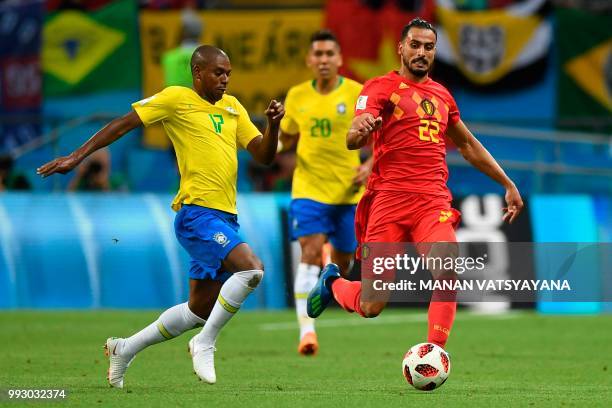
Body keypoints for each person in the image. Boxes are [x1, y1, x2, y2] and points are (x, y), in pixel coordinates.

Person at [37, 45, 284, 387]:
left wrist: (273, 126)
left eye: (228, 73)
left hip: (226, 218)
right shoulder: (176, 98)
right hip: (197, 214)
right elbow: (123, 124)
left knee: (197, 311)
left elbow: (265, 156)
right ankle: (205, 342)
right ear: (198, 73)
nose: (225, 79)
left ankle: (125, 348)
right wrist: (77, 156)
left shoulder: (233, 107)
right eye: (218, 72)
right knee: (252, 268)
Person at [306, 18, 524, 350]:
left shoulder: (442, 96)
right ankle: (333, 282)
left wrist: (507, 182)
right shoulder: (378, 88)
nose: (422, 52)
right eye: (415, 45)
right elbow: (352, 138)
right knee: (371, 305)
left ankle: (434, 353)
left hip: (431, 204)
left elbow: (467, 145)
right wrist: (360, 129)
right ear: (401, 48)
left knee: (448, 270)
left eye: (429, 47)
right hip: (388, 203)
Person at [279, 30, 371, 356]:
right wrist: (264, 145)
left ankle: (332, 273)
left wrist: (372, 163)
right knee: (309, 251)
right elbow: (286, 139)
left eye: (329, 54)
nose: (323, 60)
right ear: (308, 60)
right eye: (317, 54)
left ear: (340, 59)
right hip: (308, 189)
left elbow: (386, 136)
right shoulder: (297, 97)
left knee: (343, 267)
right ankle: (307, 333)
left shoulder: (360, 94)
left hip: (348, 194)